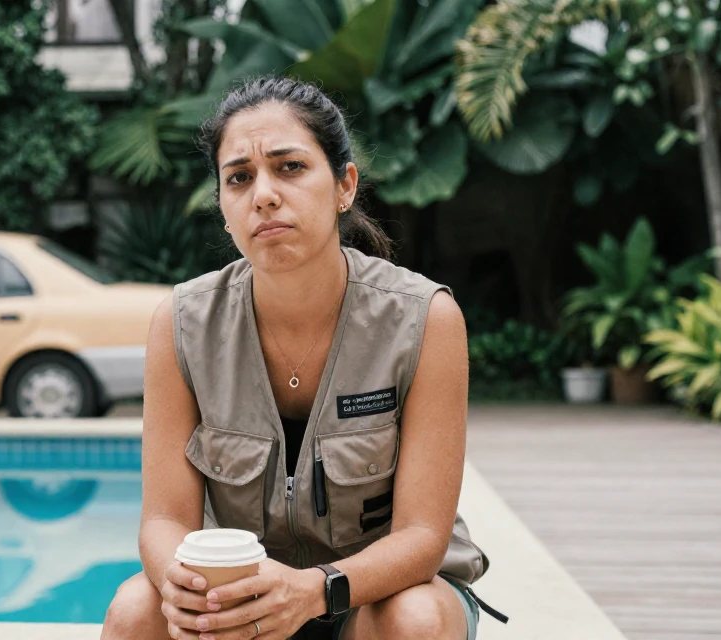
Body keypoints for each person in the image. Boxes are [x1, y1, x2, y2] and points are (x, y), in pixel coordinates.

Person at [102, 76, 502, 640]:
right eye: (239, 178)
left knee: (413, 620)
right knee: (135, 610)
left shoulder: (423, 319)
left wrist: (312, 591)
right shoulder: (183, 323)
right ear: (223, 207)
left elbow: (422, 536)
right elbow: (165, 520)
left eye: (290, 167)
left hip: (375, 596)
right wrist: (185, 588)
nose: (263, 194)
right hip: (242, 594)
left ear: (344, 186)